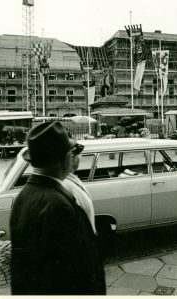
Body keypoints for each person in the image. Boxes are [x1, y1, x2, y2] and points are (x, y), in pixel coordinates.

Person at [10, 121, 106, 295]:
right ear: (63, 158)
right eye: (70, 152)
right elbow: (75, 272)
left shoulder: (22, 196)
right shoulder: (59, 206)